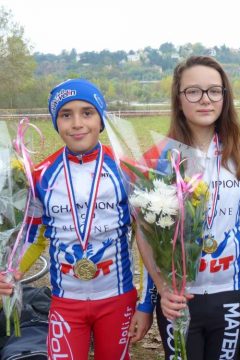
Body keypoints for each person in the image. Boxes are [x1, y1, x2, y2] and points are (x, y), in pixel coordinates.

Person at [0, 79, 155, 359]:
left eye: (87, 112)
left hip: (117, 300)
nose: (76, 123)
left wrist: (144, 305)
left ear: (101, 119)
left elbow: (146, 243)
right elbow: (33, 237)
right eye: (65, 114)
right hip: (65, 302)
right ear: (56, 122)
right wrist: (11, 272)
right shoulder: (41, 175)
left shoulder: (126, 172)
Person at [138, 56, 240, 360]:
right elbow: (146, 234)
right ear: (179, 98)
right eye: (193, 91)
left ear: (225, 97)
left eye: (214, 91)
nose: (205, 100)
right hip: (179, 297)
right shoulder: (159, 158)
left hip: (231, 291)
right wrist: (162, 290)